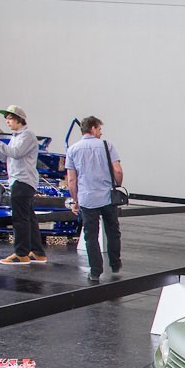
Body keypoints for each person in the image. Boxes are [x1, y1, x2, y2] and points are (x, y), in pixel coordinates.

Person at [0, 105, 46, 265]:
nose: (7, 121)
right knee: (29, 218)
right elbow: (5, 157)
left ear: (19, 119)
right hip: (20, 180)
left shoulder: (27, 135)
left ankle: (21, 254)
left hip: (22, 181)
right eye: (6, 119)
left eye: (10, 118)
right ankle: (37, 252)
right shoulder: (16, 136)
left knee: (20, 219)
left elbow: (15, 153)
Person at [65, 116, 123, 282]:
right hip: (107, 197)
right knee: (113, 231)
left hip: (87, 198)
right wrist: (118, 184)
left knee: (91, 236)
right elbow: (118, 171)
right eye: (99, 129)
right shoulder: (107, 145)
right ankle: (115, 262)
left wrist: (75, 200)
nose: (100, 132)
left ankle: (95, 271)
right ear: (92, 128)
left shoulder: (72, 150)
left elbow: (71, 180)